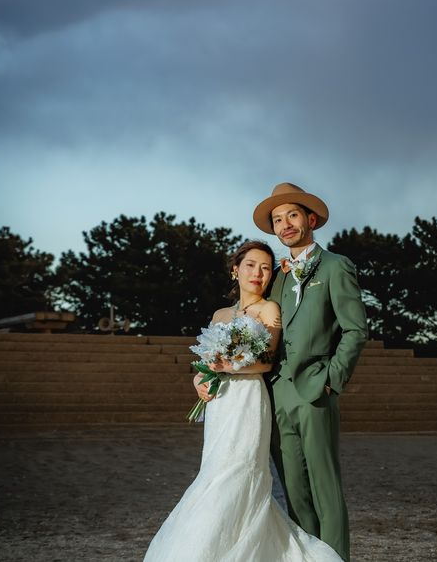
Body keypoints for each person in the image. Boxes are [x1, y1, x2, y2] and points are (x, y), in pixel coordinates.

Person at [144, 240, 343, 562]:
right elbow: (205, 361)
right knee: (214, 470)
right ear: (235, 270)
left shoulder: (269, 309)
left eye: (265, 268)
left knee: (238, 471)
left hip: (249, 398)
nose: (258, 273)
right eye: (251, 265)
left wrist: (229, 365)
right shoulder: (220, 314)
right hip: (220, 402)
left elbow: (266, 361)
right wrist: (198, 381)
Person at [252, 182, 368, 562]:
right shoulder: (276, 277)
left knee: (325, 489)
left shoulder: (336, 266)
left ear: (311, 220)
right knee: (294, 491)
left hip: (317, 390)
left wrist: (332, 379)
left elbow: (355, 330)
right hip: (278, 393)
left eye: (292, 215)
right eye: (277, 219)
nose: (285, 224)